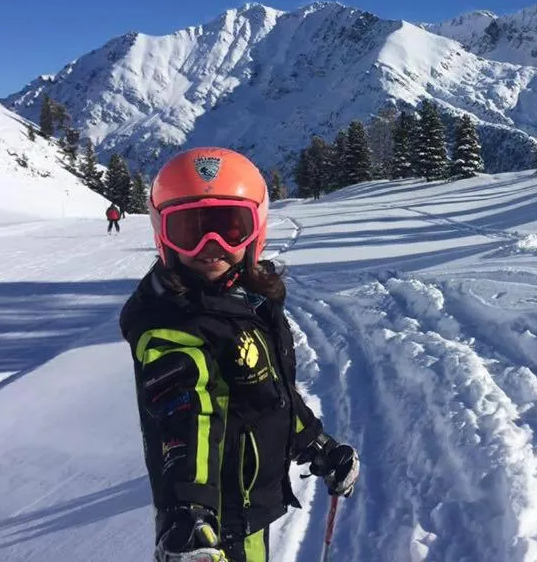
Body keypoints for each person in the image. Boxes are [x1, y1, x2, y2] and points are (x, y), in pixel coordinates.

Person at [119, 147, 359, 562]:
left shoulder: (247, 298)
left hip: (249, 507)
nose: (210, 247)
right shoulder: (170, 327)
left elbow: (265, 395)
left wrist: (317, 444)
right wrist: (188, 510)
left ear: (256, 230)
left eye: (230, 228)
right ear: (163, 236)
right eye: (189, 231)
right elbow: (183, 408)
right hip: (217, 524)